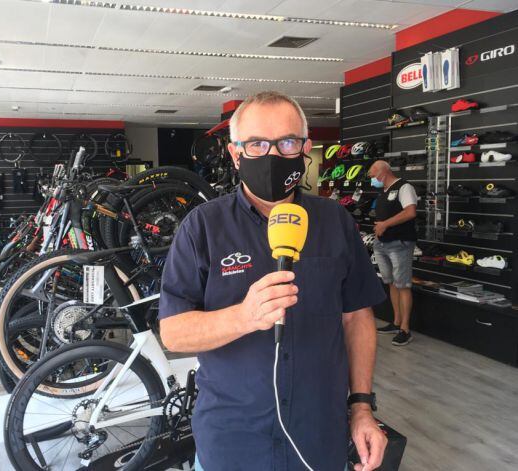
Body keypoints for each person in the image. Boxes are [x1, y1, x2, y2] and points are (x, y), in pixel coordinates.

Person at [159, 91, 388, 471]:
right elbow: (173, 332)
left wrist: (361, 406)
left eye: (286, 142)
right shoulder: (202, 227)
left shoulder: (335, 221)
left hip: (319, 433)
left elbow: (357, 317)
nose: (272, 155)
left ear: (305, 148)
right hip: (232, 438)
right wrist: (244, 317)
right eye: (256, 144)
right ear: (235, 154)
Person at [368, 160, 418, 346]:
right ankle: (396, 322)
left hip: (400, 243)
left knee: (403, 284)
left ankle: (405, 328)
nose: (373, 179)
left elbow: (410, 212)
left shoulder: (404, 188)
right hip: (382, 243)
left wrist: (385, 224)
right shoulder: (384, 191)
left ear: (383, 172)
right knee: (391, 283)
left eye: (373, 176)